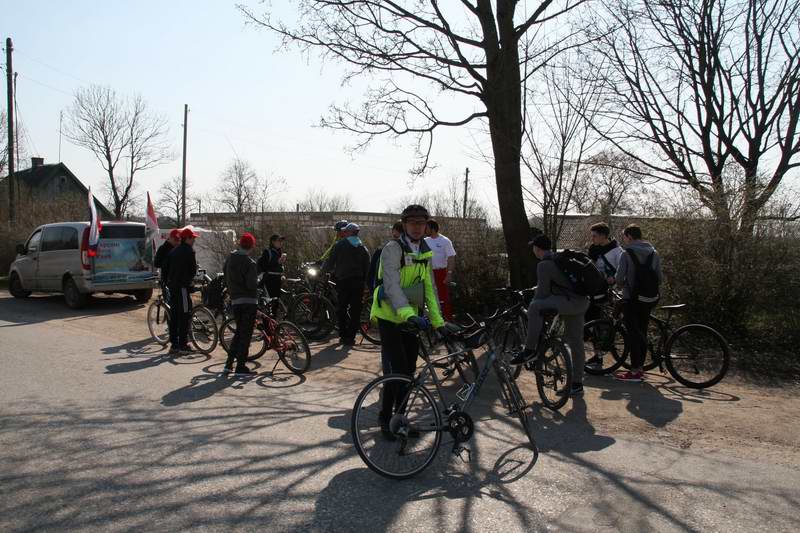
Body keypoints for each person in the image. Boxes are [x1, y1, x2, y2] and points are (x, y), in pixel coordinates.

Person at [371, 205, 445, 439]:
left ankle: (400, 420)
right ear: (404, 225)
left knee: (409, 373)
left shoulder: (424, 251)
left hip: (410, 317)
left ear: (426, 226)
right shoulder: (393, 249)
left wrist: (438, 321)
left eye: (421, 223)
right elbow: (391, 285)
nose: (416, 227)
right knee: (397, 372)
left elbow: (430, 289)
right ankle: (386, 419)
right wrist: (409, 314)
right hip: (389, 317)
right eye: (412, 223)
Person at [509, 235, 589, 397]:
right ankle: (577, 384)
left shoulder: (544, 264)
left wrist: (532, 300)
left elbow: (543, 293)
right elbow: (559, 282)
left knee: (535, 307)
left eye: (533, 248)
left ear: (538, 249)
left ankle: (530, 350)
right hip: (581, 302)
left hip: (568, 302)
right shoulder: (559, 259)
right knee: (576, 343)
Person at [614, 225, 663, 382]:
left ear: (629, 236)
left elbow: (619, 278)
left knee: (633, 334)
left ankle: (635, 371)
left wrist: (620, 285)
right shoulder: (654, 253)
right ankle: (640, 368)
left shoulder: (626, 253)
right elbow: (659, 278)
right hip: (649, 299)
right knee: (642, 331)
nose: (624, 240)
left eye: (624, 237)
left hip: (632, 299)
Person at [585, 222, 625, 370]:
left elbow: (622, 271)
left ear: (603, 236)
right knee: (592, 324)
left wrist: (613, 278)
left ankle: (599, 356)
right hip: (595, 291)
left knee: (601, 326)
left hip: (610, 294)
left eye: (594, 236)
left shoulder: (617, 251)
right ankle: (598, 355)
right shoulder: (593, 249)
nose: (592, 238)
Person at [323, 222, 370, 346]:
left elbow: (330, 261)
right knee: (355, 310)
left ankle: (343, 336)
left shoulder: (340, 245)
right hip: (358, 283)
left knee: (342, 308)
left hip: (343, 281)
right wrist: (365, 282)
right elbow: (367, 266)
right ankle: (351, 337)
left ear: (348, 232)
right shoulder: (363, 247)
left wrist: (322, 271)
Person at [223, 232, 259, 375]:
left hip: (235, 300)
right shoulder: (250, 263)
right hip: (249, 301)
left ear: (240, 244)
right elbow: (251, 285)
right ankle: (241, 366)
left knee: (238, 332)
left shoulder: (230, 259)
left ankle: (228, 364)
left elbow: (225, 273)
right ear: (251, 246)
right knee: (245, 334)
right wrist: (258, 281)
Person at [166, 227, 199, 355]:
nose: (194, 240)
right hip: (182, 287)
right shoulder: (189, 251)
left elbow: (167, 267)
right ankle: (183, 344)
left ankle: (174, 344)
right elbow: (192, 271)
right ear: (188, 238)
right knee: (185, 314)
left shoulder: (174, 251)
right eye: (193, 238)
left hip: (173, 286)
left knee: (174, 315)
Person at [425, 219, 457, 320]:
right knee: (430, 297)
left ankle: (448, 319)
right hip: (427, 273)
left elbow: (451, 257)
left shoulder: (445, 241)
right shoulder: (425, 241)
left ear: (433, 229)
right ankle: (433, 319)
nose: (425, 229)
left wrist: (449, 273)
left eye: (427, 227)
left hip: (440, 272)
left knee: (443, 297)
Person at [154, 228, 181, 348]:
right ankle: (172, 331)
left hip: (177, 281)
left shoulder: (178, 248)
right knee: (171, 307)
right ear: (170, 238)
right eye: (175, 239)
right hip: (167, 281)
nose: (177, 241)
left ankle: (176, 329)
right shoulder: (163, 249)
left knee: (177, 306)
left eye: (178, 239)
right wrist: (167, 262)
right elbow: (156, 263)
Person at [367, 221, 403, 292]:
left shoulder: (411, 254)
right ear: (392, 232)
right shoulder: (381, 250)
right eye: (395, 237)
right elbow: (372, 273)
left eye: (399, 239)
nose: (396, 241)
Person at [257, 234, 287, 302]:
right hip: (269, 279)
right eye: (279, 241)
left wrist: (282, 274)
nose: (281, 243)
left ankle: (275, 312)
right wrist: (277, 262)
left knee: (277, 301)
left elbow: (279, 267)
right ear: (273, 242)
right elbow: (264, 266)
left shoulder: (279, 252)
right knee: (271, 301)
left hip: (277, 279)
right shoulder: (267, 252)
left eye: (281, 241)